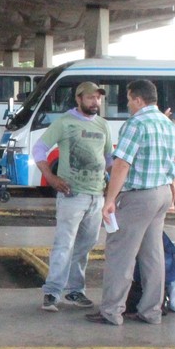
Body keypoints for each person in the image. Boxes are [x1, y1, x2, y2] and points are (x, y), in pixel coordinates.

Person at [88, 79, 175, 326]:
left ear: (138, 100)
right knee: (153, 255)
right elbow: (174, 163)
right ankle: (151, 311)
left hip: (139, 196)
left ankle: (111, 311)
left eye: (129, 99)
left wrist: (110, 200)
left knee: (121, 253)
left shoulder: (136, 123)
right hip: (162, 193)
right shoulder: (170, 125)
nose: (128, 104)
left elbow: (121, 164)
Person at [33, 82, 113, 312]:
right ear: (78, 99)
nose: (95, 102)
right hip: (72, 195)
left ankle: (75, 290)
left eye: (98, 98)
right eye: (90, 98)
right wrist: (50, 176)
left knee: (85, 246)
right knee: (64, 245)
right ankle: (52, 292)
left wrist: (113, 188)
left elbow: (108, 160)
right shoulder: (64, 123)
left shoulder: (103, 125)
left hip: (96, 196)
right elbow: (39, 149)